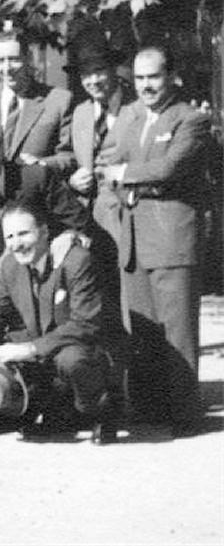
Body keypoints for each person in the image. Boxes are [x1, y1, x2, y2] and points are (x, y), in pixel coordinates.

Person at [98, 46, 212, 434]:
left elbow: (169, 168)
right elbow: (105, 163)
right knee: (142, 330)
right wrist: (124, 185)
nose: (146, 85)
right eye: (140, 78)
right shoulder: (129, 116)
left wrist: (125, 175)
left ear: (171, 76)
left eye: (154, 77)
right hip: (131, 237)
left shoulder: (191, 119)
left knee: (177, 330)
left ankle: (184, 413)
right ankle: (148, 410)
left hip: (171, 239)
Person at [0, 201, 125, 443]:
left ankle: (101, 410)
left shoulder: (76, 261)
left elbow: (85, 324)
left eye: (24, 233)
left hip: (87, 345)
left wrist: (30, 349)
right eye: (10, 236)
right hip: (48, 344)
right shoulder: (11, 265)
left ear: (44, 232)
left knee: (71, 359)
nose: (16, 244)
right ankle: (54, 412)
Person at [0, 30, 74, 172]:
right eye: (1, 60)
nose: (7, 68)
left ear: (28, 58)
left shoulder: (58, 101)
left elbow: (70, 155)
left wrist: (42, 164)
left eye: (14, 59)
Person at [67, 46, 133, 236]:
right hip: (87, 215)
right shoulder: (81, 112)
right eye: (86, 74)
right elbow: (73, 158)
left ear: (114, 70)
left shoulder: (136, 108)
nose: (93, 81)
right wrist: (73, 181)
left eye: (99, 71)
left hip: (126, 211)